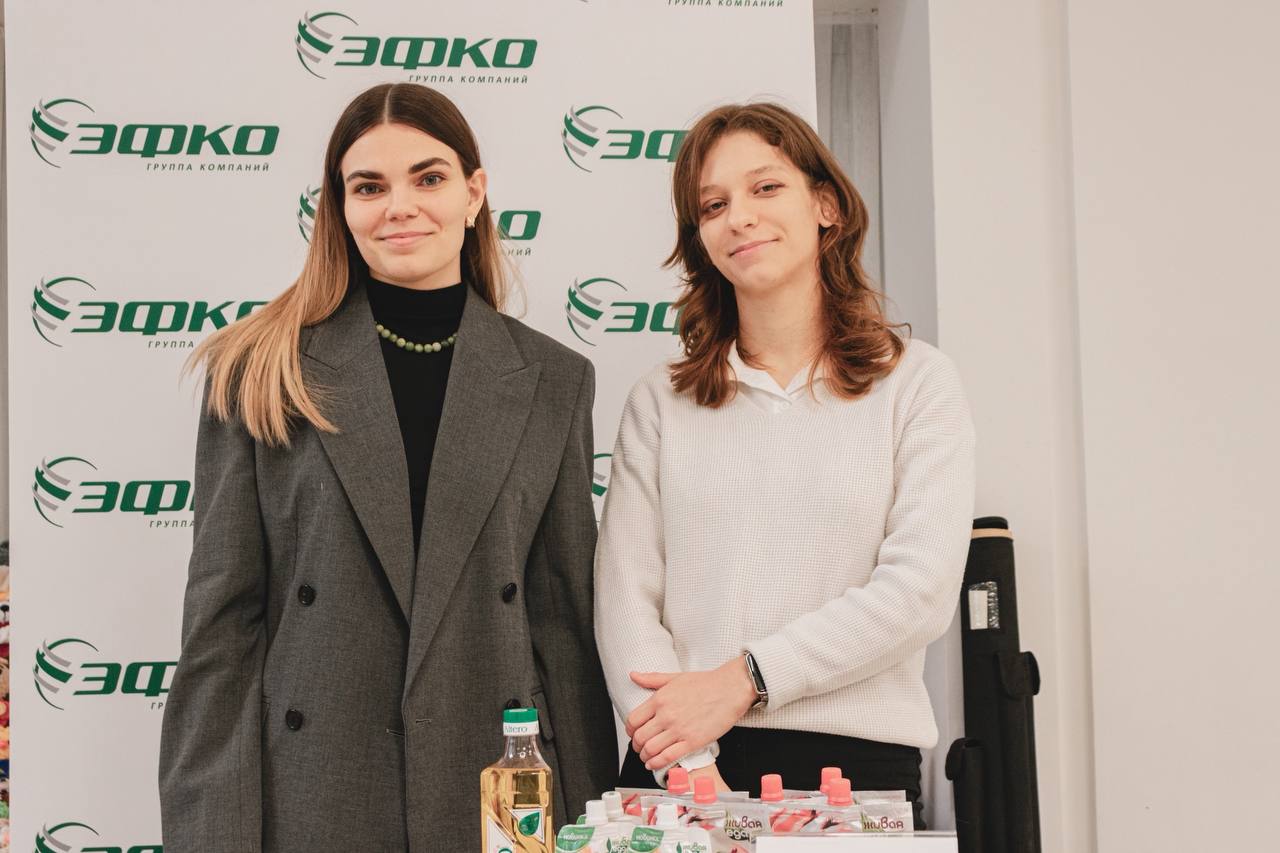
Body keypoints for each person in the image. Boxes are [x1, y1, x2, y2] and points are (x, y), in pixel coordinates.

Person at [159, 82, 615, 851]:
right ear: (340, 207)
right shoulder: (260, 369)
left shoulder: (554, 380)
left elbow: (562, 627)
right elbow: (221, 632)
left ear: (474, 193)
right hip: (314, 794)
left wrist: (593, 823)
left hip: (500, 796)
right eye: (369, 187)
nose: (399, 206)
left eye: (428, 178)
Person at [594, 102, 975, 828]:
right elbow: (624, 602)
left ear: (826, 206)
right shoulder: (660, 401)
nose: (739, 217)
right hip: (683, 770)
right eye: (714, 205)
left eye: (765, 188)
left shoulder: (917, 383)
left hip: (855, 774)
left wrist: (748, 678)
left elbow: (919, 590)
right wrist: (691, 768)